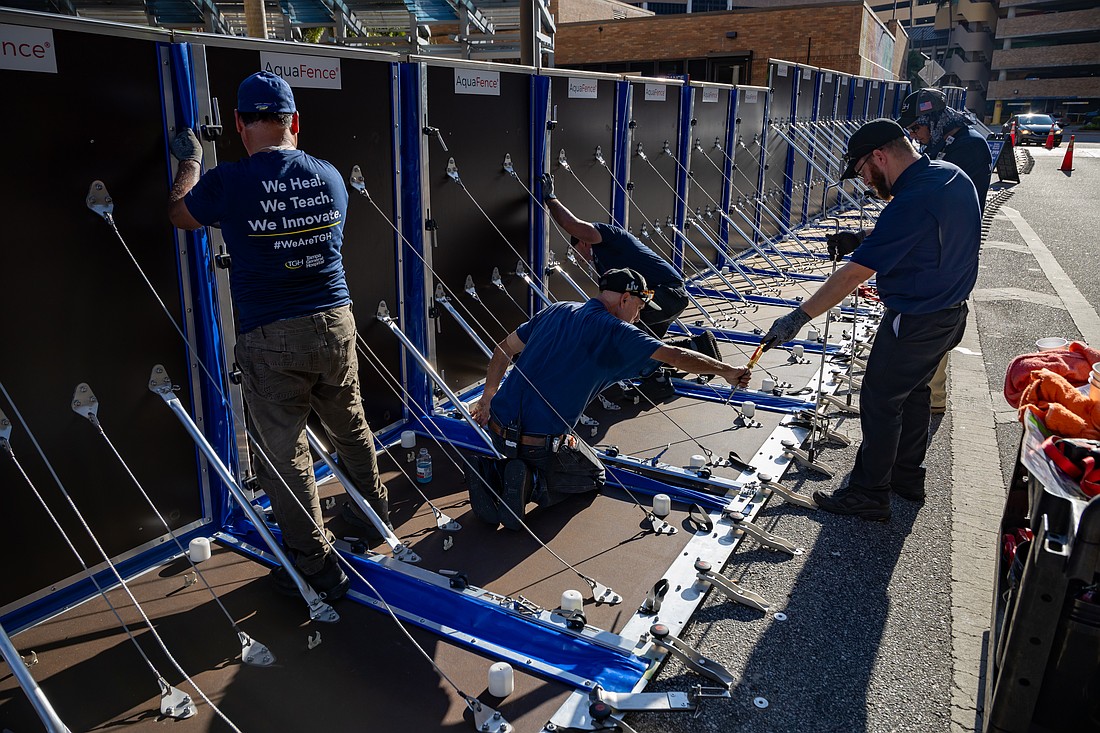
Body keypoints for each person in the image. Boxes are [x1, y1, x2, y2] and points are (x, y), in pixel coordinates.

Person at [167, 71, 388, 601]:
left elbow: (180, 215)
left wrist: (191, 163)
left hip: (273, 334)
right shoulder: (330, 176)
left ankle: (313, 563)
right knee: (349, 421)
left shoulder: (229, 181)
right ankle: (371, 514)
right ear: (294, 122)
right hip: (337, 320)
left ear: (240, 125)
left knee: (282, 451)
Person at [761, 119, 980, 521]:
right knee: (913, 393)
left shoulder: (912, 199)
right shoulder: (951, 177)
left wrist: (798, 317)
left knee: (880, 400)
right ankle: (906, 476)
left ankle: (869, 493)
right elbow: (927, 233)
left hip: (916, 320)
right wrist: (861, 241)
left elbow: (850, 276)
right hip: (950, 313)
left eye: (863, 170)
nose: (865, 181)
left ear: (879, 156)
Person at [468, 268, 751, 530]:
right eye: (639, 308)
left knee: (531, 448)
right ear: (625, 298)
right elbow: (677, 357)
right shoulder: (617, 330)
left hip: (497, 427)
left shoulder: (556, 309)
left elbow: (503, 348)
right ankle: (532, 484)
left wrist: (488, 396)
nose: (638, 318)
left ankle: (493, 471)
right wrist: (727, 371)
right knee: (593, 475)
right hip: (539, 445)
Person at [897, 87, 992, 413]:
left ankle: (931, 399)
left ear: (934, 121)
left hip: (950, 251)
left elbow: (936, 198)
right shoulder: (945, 145)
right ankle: (922, 392)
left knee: (935, 319)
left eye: (916, 128)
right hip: (937, 245)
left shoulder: (969, 147)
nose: (914, 136)